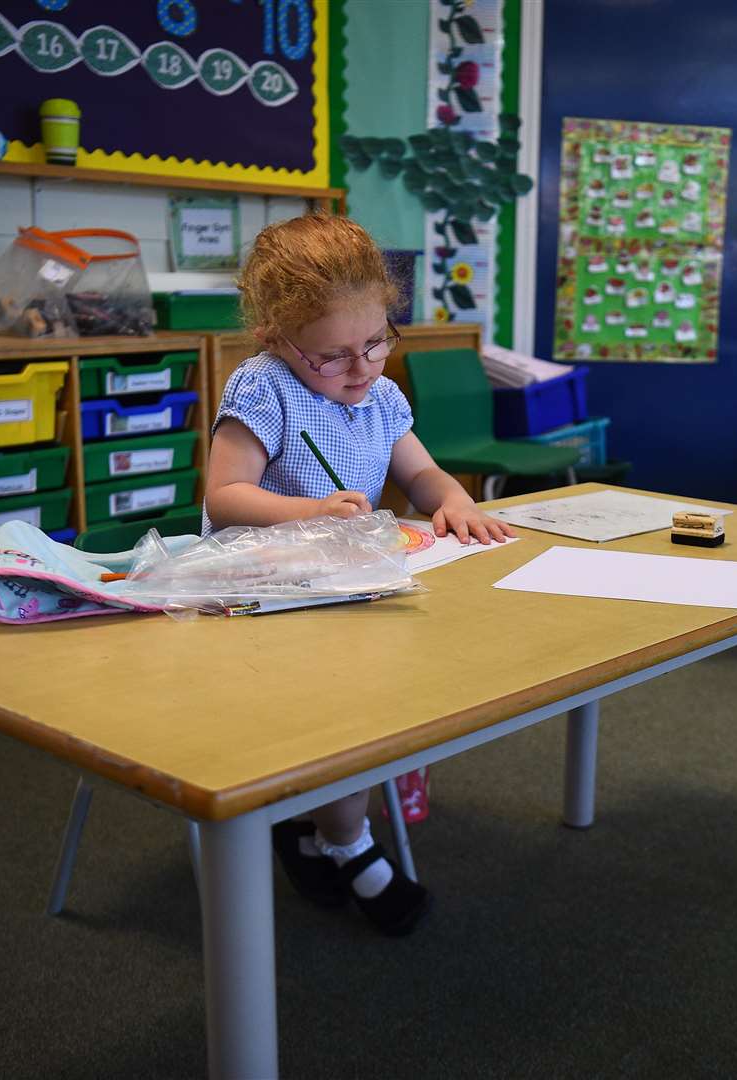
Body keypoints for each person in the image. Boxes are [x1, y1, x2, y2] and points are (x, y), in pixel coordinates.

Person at [204, 213, 515, 934]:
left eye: (376, 342)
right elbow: (223, 499)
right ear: (276, 340)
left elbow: (423, 472)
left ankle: (315, 822)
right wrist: (311, 508)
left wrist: (456, 500)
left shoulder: (377, 396)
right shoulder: (263, 389)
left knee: (405, 680)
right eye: (332, 357)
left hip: (345, 589)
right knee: (354, 706)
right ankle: (346, 839)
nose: (361, 368)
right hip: (260, 592)